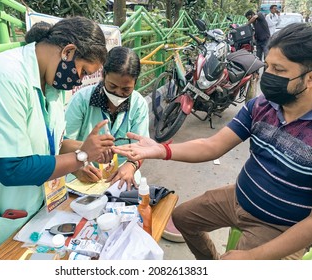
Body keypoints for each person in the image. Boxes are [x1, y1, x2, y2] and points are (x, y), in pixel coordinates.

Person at [113, 23, 312, 260]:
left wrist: (252, 257)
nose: (267, 76)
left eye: (278, 70)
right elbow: (212, 145)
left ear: (309, 78)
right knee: (182, 217)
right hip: (239, 197)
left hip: (280, 227)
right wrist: (161, 149)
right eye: (267, 66)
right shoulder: (261, 106)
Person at [0, 17, 115, 259]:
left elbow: (52, 145)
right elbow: (11, 168)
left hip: (25, 218)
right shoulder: (3, 78)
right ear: (68, 52)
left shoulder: (51, 86)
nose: (79, 80)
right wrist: (81, 156)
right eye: (82, 71)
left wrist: (87, 148)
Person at [63, 46, 149, 190]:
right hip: (86, 172)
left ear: (135, 82)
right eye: (112, 86)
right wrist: (78, 164)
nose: (118, 93)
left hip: (122, 176)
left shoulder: (138, 105)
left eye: (126, 89)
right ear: (103, 74)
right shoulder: (81, 100)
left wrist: (131, 165)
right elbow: (63, 143)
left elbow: (142, 148)